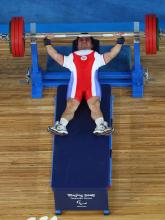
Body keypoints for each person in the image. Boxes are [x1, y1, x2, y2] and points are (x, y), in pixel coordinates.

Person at [44, 35, 125, 136]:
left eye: (87, 40)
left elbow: (111, 55)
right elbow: (56, 56)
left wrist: (119, 42)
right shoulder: (71, 57)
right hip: (76, 88)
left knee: (94, 104)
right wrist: (47, 43)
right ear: (77, 44)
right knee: (71, 105)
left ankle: (100, 126)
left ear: (91, 44)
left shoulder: (96, 56)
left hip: (91, 87)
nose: (84, 41)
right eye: (81, 40)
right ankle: (61, 126)